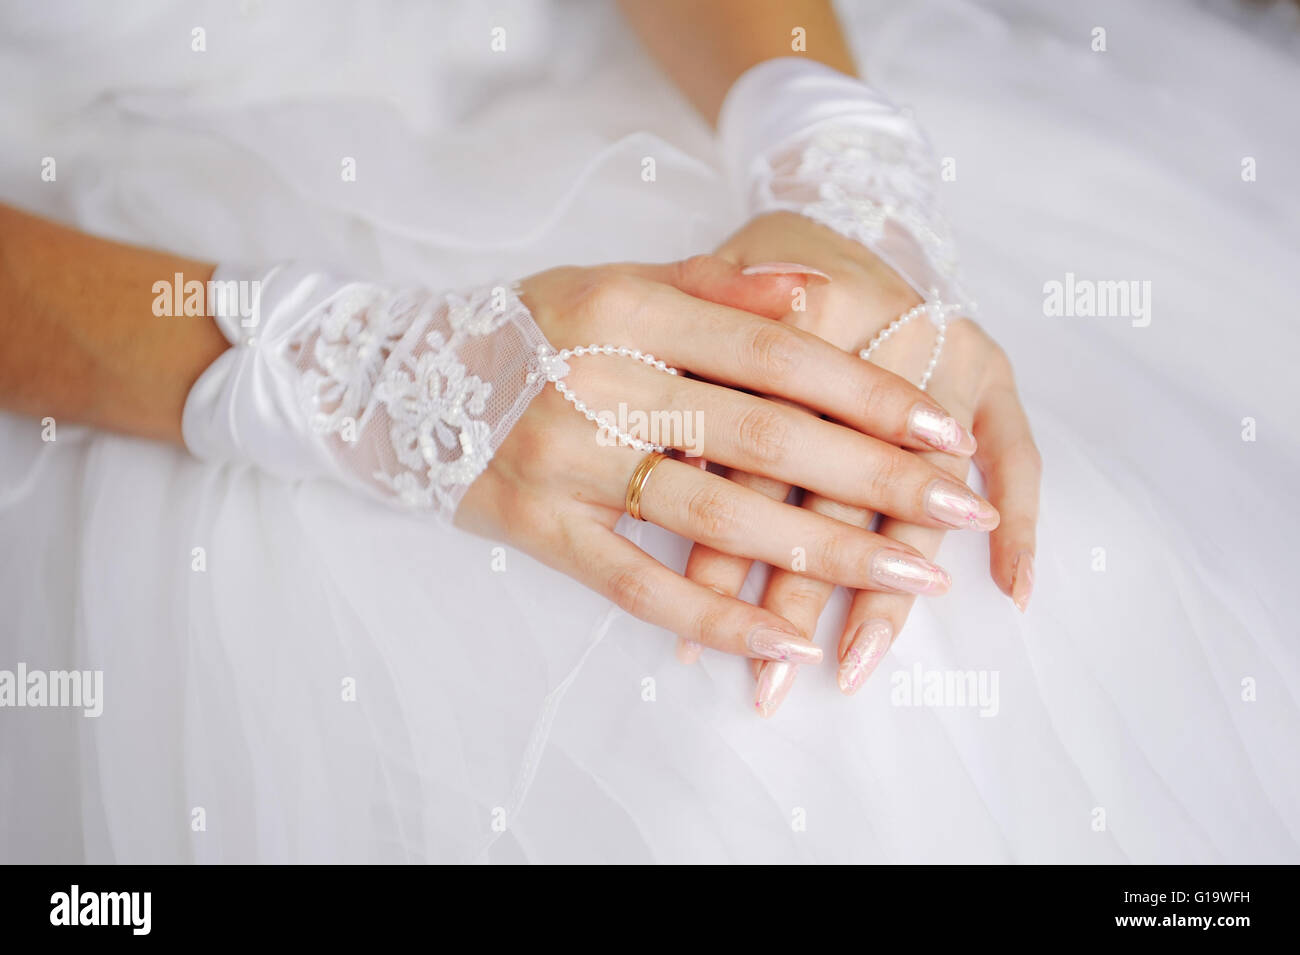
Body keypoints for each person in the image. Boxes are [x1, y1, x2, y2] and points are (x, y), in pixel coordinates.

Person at [0, 0, 1293, 863]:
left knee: (1018, 577)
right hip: (106, 268)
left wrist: (834, 179)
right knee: (758, 713)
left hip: (614, 81)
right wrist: (373, 378)